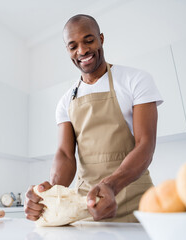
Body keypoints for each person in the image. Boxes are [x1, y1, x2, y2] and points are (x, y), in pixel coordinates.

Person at [25, 14, 163, 222]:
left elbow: (145, 144)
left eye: (88, 40)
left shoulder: (135, 80)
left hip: (137, 202)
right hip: (87, 207)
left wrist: (111, 185)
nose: (82, 51)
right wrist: (49, 192)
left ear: (101, 39)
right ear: (68, 51)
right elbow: (65, 154)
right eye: (73, 46)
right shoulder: (66, 101)